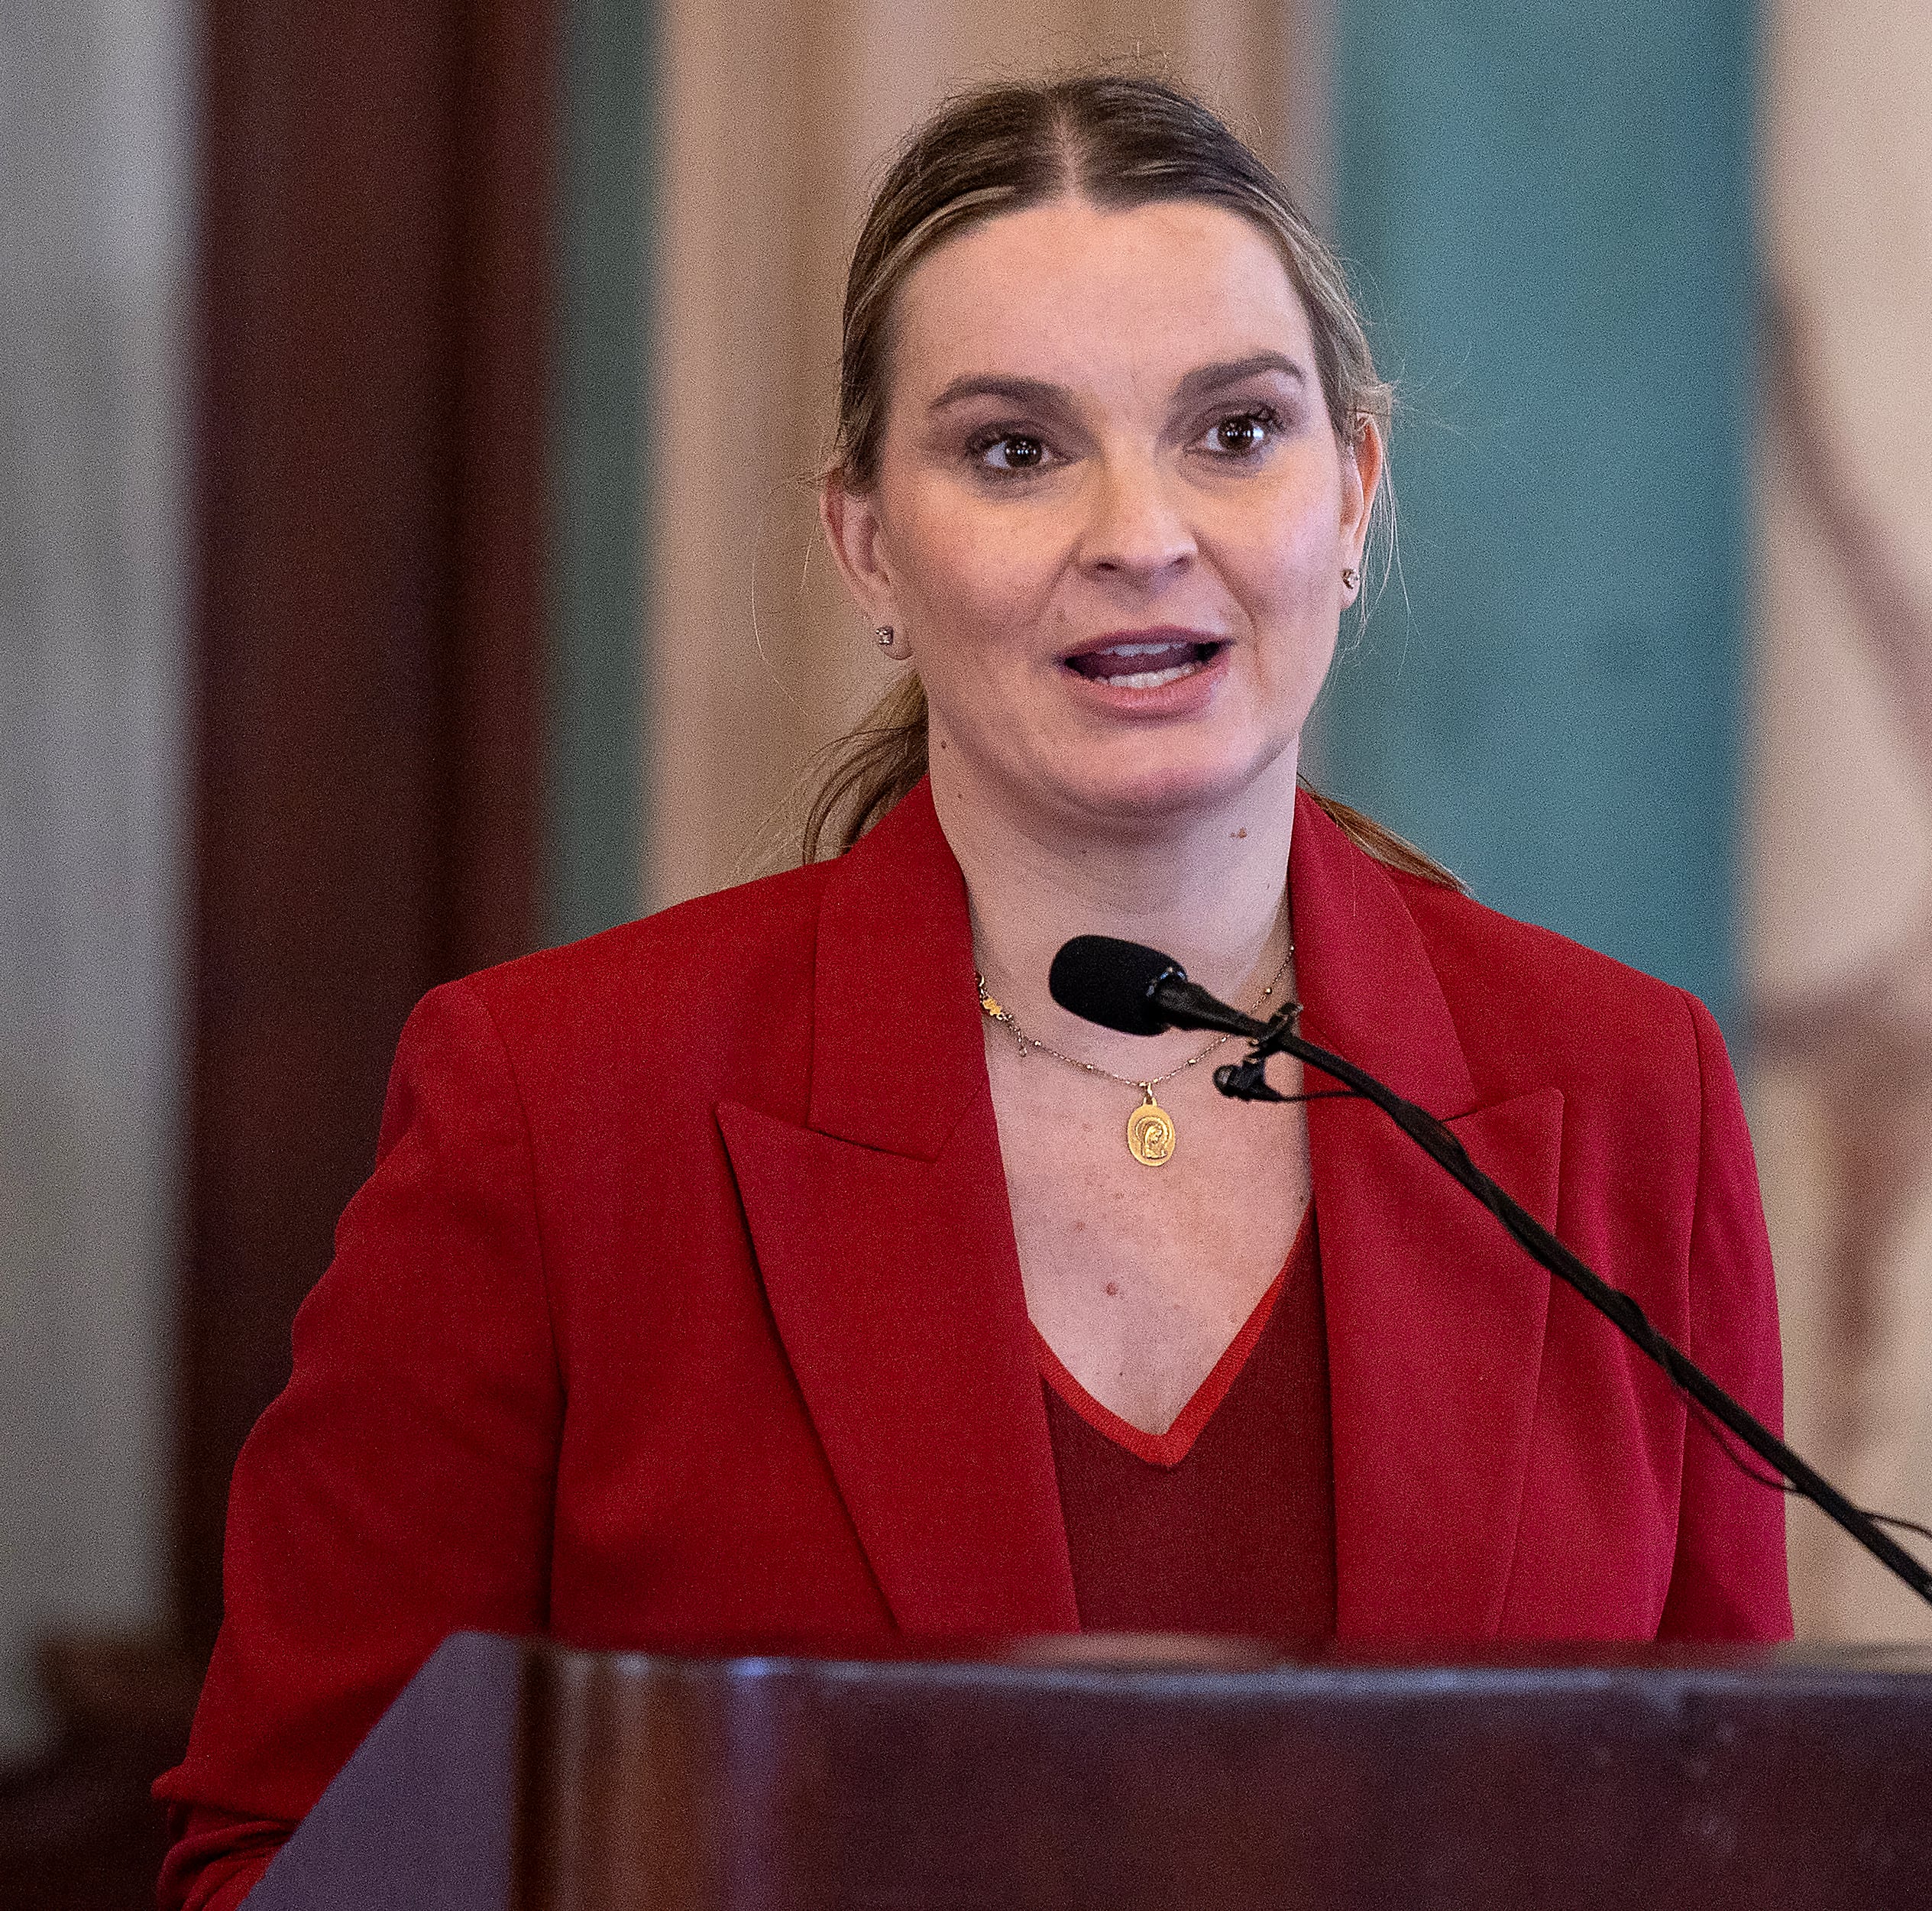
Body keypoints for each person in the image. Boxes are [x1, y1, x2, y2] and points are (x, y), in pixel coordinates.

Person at [154, 73, 1789, 1908]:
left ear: (1354, 490)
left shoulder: (1624, 1091)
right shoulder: (555, 1111)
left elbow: (1739, 1833)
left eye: (1232, 432)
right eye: (1016, 450)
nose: (1139, 533)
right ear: (868, 544)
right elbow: (284, 1865)